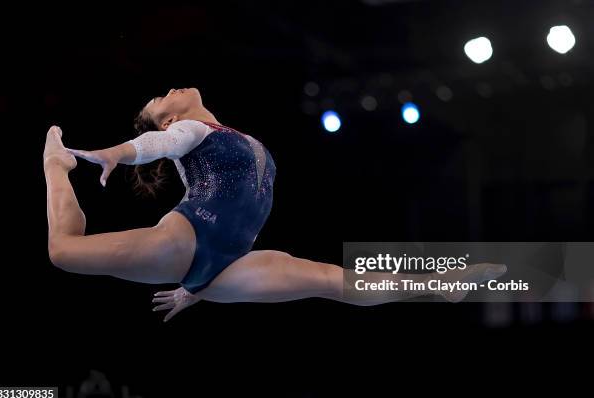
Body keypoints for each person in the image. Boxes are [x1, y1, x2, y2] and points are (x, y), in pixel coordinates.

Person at [43, 87, 506, 322]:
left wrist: (196, 286)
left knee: (330, 279)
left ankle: (440, 286)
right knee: (63, 251)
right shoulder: (188, 132)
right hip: (187, 239)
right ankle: (56, 168)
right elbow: (153, 145)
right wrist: (114, 154)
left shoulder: (239, 139)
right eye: (163, 98)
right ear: (171, 118)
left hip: (226, 264)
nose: (170, 89)